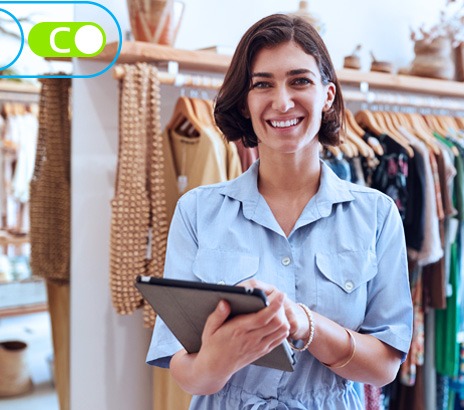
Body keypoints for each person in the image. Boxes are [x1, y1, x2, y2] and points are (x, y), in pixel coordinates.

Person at [146, 13, 413, 409]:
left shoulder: (376, 215)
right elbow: (183, 366)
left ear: (328, 94)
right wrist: (220, 359)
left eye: (300, 80)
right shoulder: (198, 211)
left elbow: (385, 365)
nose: (282, 101)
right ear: (246, 100)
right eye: (262, 85)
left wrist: (305, 324)